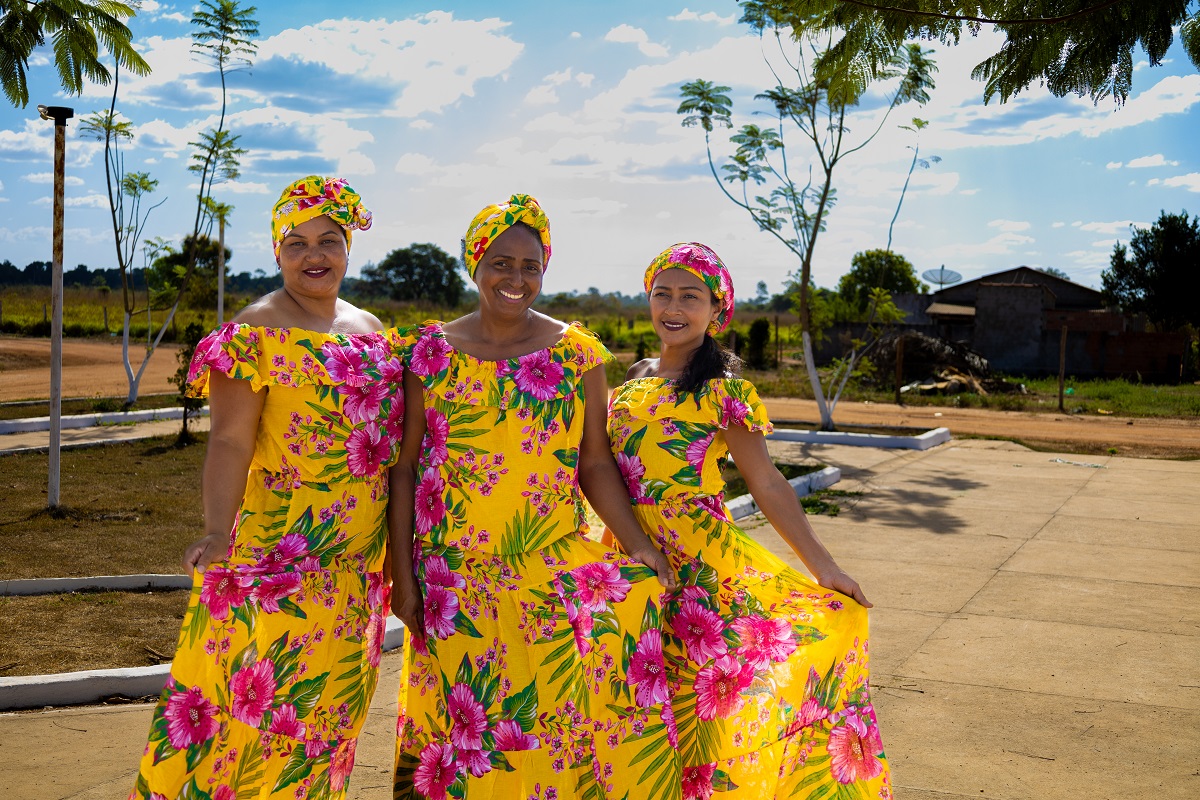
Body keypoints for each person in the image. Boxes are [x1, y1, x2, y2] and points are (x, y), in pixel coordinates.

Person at [388, 194, 682, 800]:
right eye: (501, 261)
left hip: (544, 575)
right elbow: (405, 468)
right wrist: (402, 572)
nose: (515, 278)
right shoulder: (430, 354)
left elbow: (594, 464)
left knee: (541, 729)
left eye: (530, 265)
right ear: (475, 263)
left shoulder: (577, 355)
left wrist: (639, 546)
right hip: (451, 581)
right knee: (462, 737)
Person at [129, 176, 402, 800]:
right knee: (267, 713)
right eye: (297, 242)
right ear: (275, 252)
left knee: (329, 717)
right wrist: (215, 533)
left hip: (356, 563)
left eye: (329, 241)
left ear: (348, 248)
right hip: (279, 558)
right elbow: (228, 441)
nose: (315, 255)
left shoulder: (371, 328)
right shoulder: (253, 333)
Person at [605, 242, 889, 799]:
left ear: (717, 309)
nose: (674, 306)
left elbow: (767, 484)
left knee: (700, 709)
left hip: (700, 569)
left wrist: (824, 568)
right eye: (663, 293)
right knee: (636, 707)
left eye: (691, 296)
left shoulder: (726, 390)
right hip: (626, 555)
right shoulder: (631, 378)